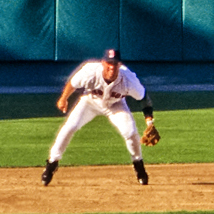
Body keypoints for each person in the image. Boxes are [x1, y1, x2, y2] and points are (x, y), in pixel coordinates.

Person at [41, 49, 155, 186]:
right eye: (109, 63)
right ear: (103, 63)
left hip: (116, 104)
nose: (111, 67)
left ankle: (139, 166)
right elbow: (73, 83)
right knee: (69, 127)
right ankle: (52, 163)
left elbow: (143, 98)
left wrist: (150, 122)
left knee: (130, 132)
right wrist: (63, 98)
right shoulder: (90, 71)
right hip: (90, 102)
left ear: (119, 65)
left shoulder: (128, 78)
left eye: (115, 64)